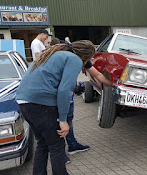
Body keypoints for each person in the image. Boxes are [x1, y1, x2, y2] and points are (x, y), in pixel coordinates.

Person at [16, 40, 96, 175]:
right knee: (57, 146)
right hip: (41, 105)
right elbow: (65, 90)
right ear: (86, 57)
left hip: (24, 102)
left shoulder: (51, 54)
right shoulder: (74, 59)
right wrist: (63, 120)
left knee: (42, 143)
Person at [49, 38, 111, 164]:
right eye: (89, 58)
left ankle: (72, 145)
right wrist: (62, 117)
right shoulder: (70, 60)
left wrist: (113, 84)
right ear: (83, 55)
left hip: (67, 95)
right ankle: (60, 154)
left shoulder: (84, 61)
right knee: (59, 123)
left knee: (69, 120)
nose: (90, 61)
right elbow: (62, 88)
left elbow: (97, 75)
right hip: (55, 95)